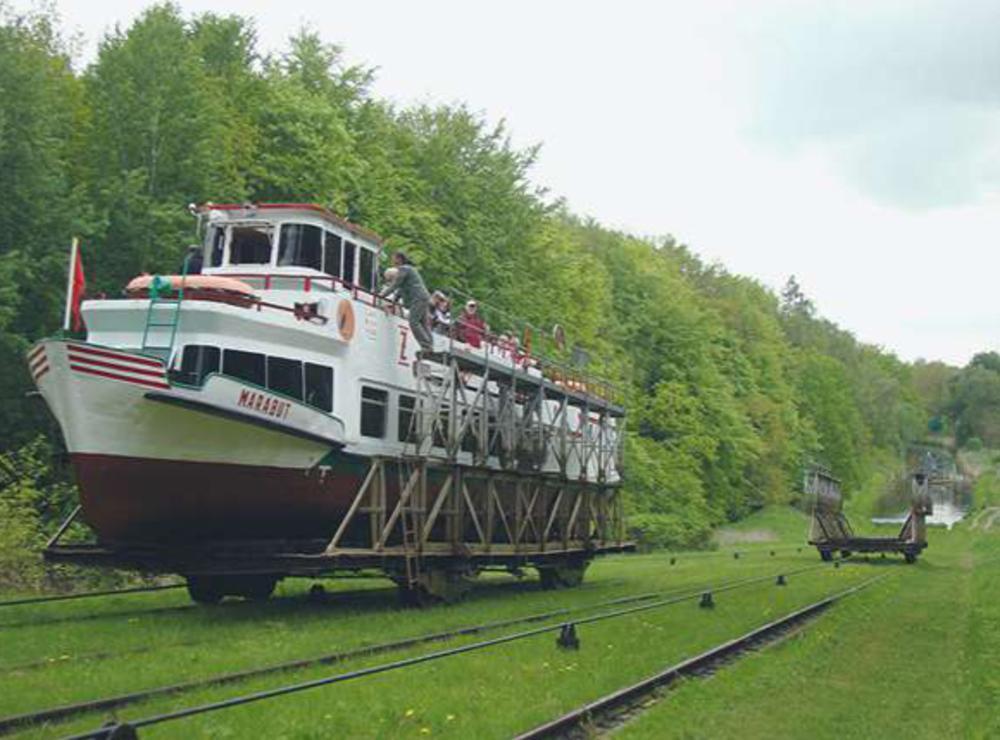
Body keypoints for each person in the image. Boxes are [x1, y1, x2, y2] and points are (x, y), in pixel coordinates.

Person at [379, 251, 434, 353]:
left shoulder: (404, 269)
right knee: (423, 323)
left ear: (399, 259)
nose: (392, 260)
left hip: (418, 298)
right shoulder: (409, 270)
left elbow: (395, 285)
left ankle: (426, 345)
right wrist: (394, 302)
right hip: (423, 297)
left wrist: (381, 296)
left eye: (394, 258)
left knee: (413, 322)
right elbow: (400, 289)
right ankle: (430, 344)